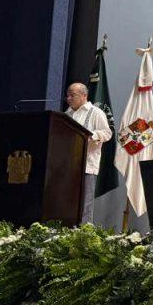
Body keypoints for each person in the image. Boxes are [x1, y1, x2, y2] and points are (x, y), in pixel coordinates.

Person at [65, 82, 112, 225]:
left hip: (87, 166)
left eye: (72, 95)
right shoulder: (67, 114)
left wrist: (91, 135)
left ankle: (84, 234)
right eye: (68, 95)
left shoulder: (95, 112)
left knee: (85, 204)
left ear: (84, 95)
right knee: (67, 201)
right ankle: (66, 231)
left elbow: (107, 133)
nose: (69, 99)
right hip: (68, 167)